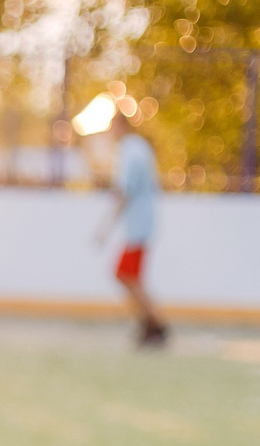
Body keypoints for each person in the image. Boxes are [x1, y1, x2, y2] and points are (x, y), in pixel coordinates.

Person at [98, 103, 168, 349]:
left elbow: (124, 190)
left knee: (126, 275)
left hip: (138, 225)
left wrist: (105, 227)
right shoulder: (140, 147)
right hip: (141, 223)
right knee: (128, 275)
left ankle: (155, 323)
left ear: (121, 125)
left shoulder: (129, 150)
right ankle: (149, 322)